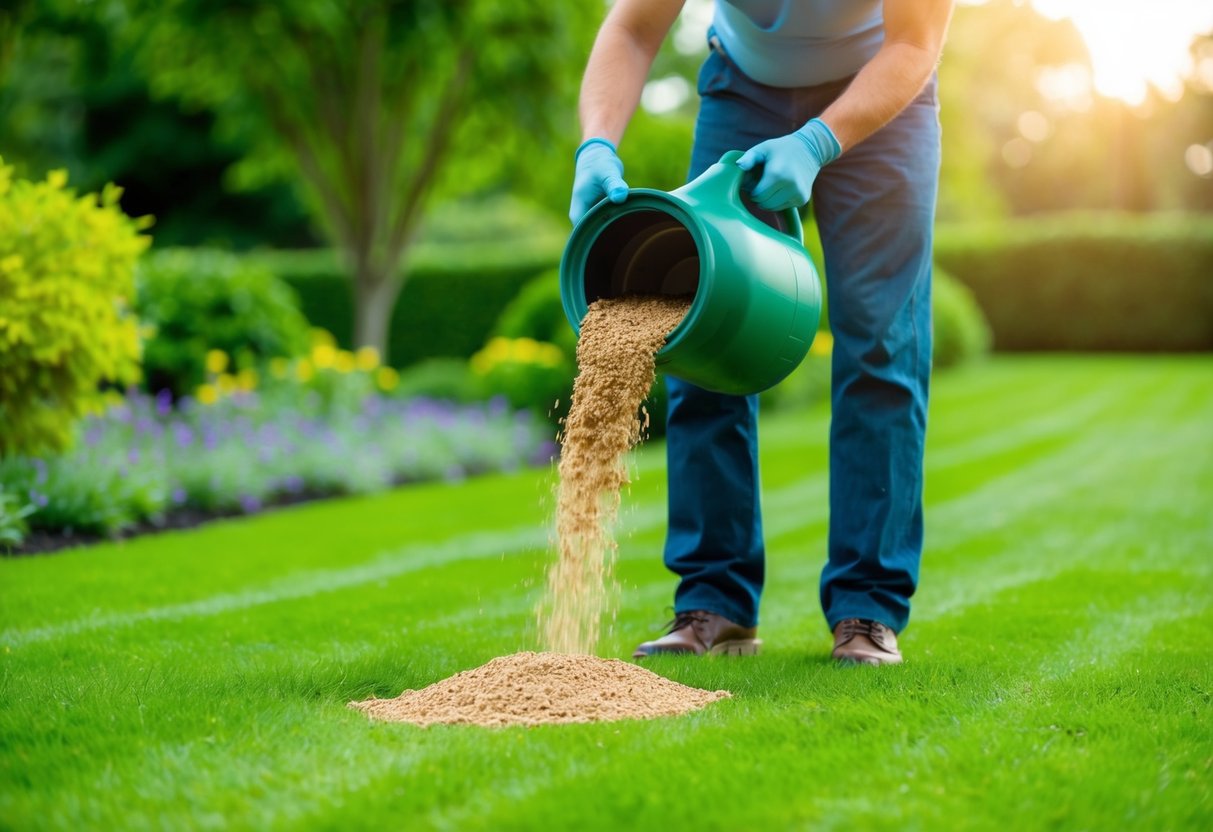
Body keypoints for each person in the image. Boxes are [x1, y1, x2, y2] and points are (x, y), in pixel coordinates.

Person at [569, 0, 954, 666]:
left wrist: (816, 141)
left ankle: (867, 607)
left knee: (879, 345)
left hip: (883, 89)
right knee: (699, 330)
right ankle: (714, 601)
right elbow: (631, 29)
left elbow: (915, 46)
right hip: (741, 91)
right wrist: (595, 144)